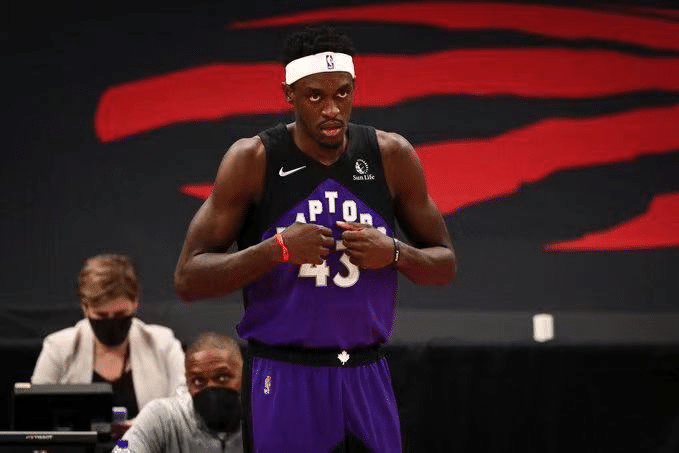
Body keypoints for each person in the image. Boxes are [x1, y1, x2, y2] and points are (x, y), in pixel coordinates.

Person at [174, 25, 456, 453]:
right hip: (285, 371)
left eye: (343, 93)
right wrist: (277, 250)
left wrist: (396, 253)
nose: (331, 109)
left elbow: (445, 265)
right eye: (315, 96)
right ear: (288, 93)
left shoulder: (391, 155)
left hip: (365, 370)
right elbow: (188, 279)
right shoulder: (253, 159)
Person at [32, 253, 185, 423]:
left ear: (135, 303)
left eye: (120, 314)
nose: (111, 322)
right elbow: (35, 412)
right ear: (85, 308)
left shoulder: (163, 343)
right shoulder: (58, 347)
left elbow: (184, 406)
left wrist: (139, 429)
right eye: (101, 315)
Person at [112, 332, 244, 453]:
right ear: (188, 384)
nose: (211, 387)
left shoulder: (257, 418)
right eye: (198, 381)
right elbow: (123, 447)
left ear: (245, 377)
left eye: (222, 378)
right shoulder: (162, 416)